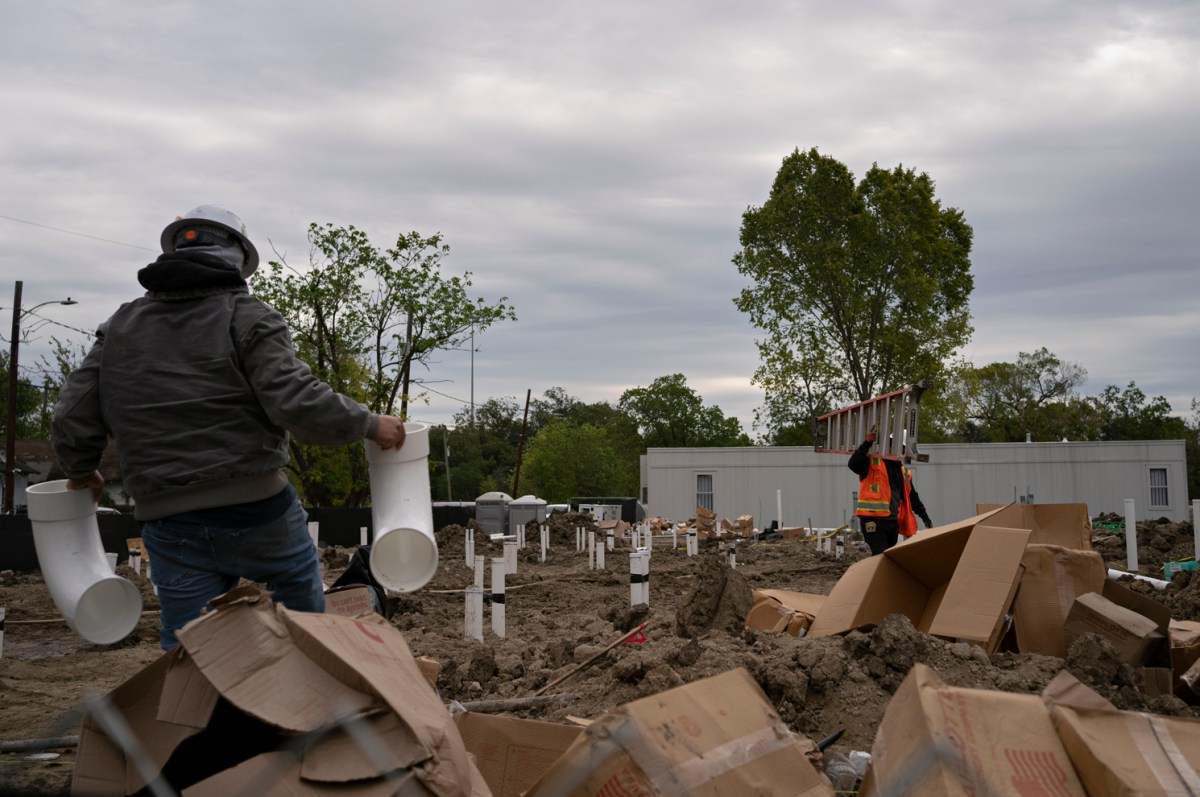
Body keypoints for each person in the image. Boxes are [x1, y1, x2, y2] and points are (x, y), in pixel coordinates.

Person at [51, 205, 407, 650]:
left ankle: (197, 714)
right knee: (304, 622)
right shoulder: (247, 315)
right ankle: (302, 701)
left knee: (189, 651)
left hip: (167, 517)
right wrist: (371, 425)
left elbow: (72, 412)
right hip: (258, 510)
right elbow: (294, 400)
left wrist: (81, 470)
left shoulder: (120, 327)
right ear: (238, 259)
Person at [848, 430, 932, 555]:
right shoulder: (873, 462)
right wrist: (866, 444)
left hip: (892, 521)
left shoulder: (904, 472)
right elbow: (853, 464)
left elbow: (913, 497)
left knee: (887, 555)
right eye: (902, 448)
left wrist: (925, 517)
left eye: (905, 449)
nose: (903, 452)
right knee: (880, 556)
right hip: (873, 520)